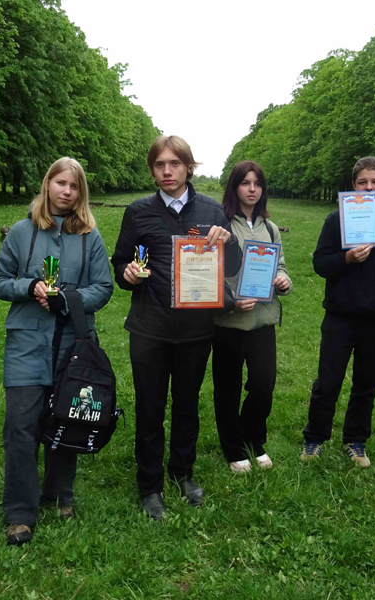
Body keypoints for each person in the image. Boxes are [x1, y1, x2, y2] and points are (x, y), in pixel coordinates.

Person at [111, 135, 242, 519]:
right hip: (149, 328)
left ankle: (183, 473)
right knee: (150, 409)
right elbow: (120, 263)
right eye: (159, 165)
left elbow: (229, 268)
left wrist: (228, 242)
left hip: (196, 330)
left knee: (187, 406)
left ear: (188, 167)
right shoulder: (138, 212)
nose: (166, 172)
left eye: (174, 164)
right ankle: (150, 485)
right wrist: (129, 274)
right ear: (152, 169)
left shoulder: (212, 211)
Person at [0, 157, 113, 545]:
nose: (66, 192)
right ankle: (20, 513)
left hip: (73, 344)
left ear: (81, 194)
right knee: (20, 427)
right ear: (47, 185)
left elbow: (103, 288)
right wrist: (29, 287)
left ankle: (59, 493)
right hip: (26, 342)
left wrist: (69, 299)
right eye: (60, 183)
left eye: (74, 187)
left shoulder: (89, 236)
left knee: (67, 419)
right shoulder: (22, 232)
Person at [300, 156, 375, 468]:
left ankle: (356, 440)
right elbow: (320, 264)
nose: (369, 187)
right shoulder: (337, 221)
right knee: (328, 381)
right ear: (353, 185)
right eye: (363, 182)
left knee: (367, 386)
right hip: (340, 316)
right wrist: (345, 259)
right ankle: (314, 438)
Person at [212, 161, 292, 473]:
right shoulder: (221, 225)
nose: (252, 189)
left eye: (257, 183)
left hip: (262, 321)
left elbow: (281, 264)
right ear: (234, 187)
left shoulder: (270, 228)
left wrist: (284, 280)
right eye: (245, 183)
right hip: (229, 323)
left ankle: (254, 439)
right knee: (228, 387)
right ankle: (233, 448)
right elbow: (208, 273)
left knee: (263, 383)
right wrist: (231, 302)